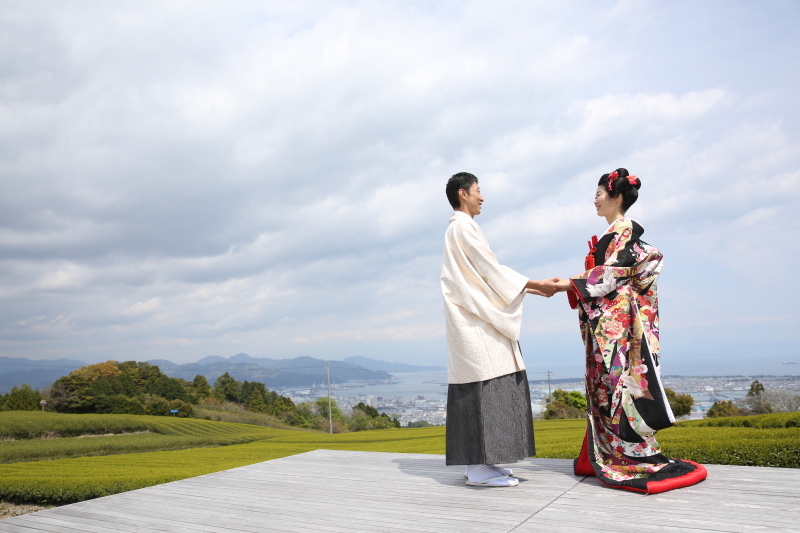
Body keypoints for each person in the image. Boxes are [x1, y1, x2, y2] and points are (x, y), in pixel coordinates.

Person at [553, 168, 707, 493]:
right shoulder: (615, 233)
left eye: (598, 194)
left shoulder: (625, 233)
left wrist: (571, 284)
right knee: (608, 390)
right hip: (608, 325)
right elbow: (609, 276)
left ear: (616, 196)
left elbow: (618, 274)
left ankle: (629, 457)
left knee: (618, 390)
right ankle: (607, 453)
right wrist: (582, 284)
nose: (594, 200)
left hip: (618, 330)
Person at [441, 172, 558, 487]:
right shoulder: (462, 228)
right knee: (483, 388)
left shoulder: (461, 229)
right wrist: (537, 285)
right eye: (478, 191)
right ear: (463, 194)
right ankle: (477, 469)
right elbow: (491, 270)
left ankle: (486, 461)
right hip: (474, 322)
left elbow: (486, 275)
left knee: (491, 387)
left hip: (475, 319)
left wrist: (531, 289)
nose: (482, 197)